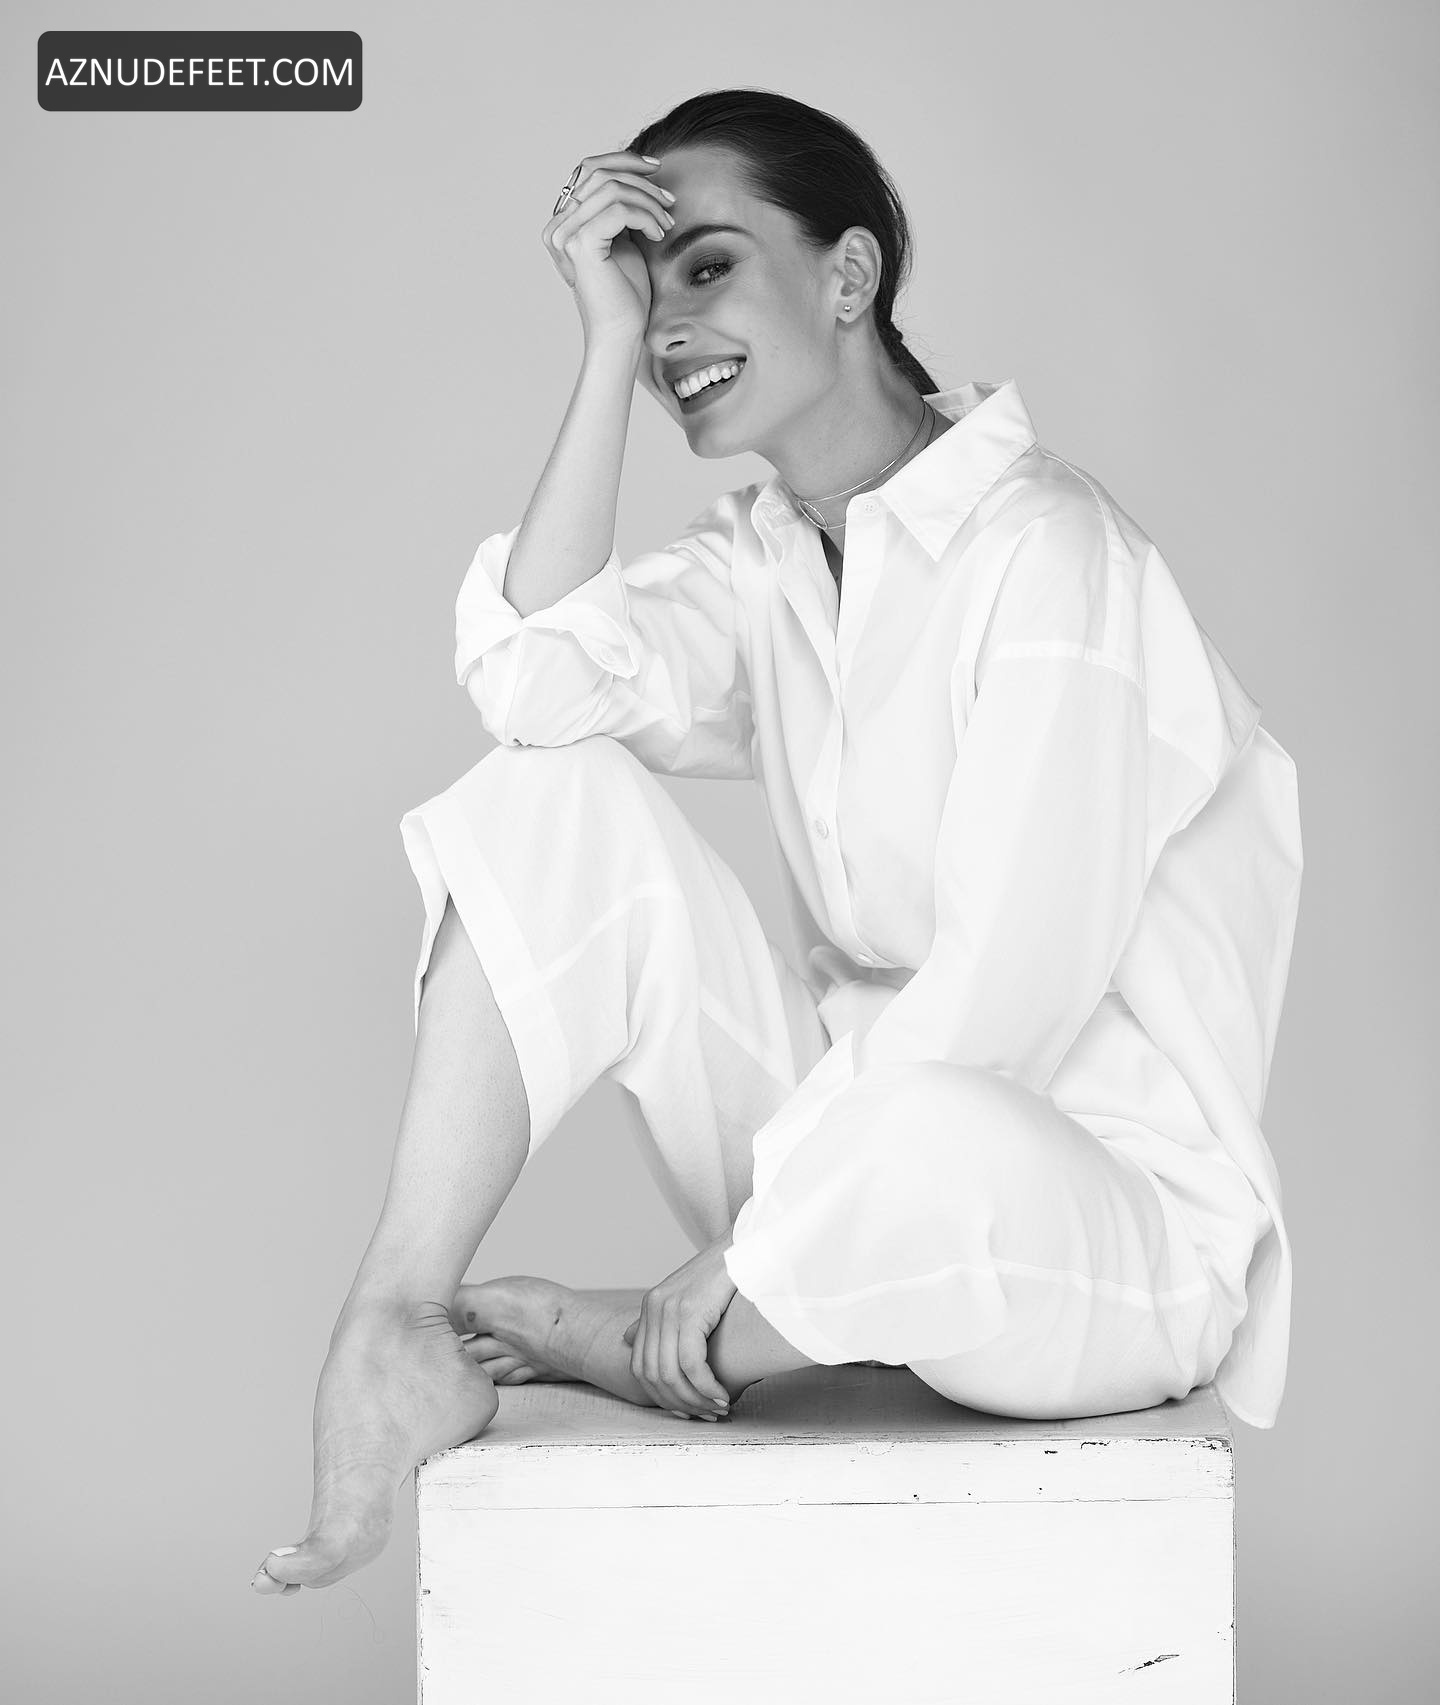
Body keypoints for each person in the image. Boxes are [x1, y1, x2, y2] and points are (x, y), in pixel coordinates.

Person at [252, 88, 1302, 1597]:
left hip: (1096, 1238)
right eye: (646, 283)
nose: (669, 322)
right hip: (834, 1207)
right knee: (548, 794)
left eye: (706, 268)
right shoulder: (769, 558)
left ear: (849, 275)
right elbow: (534, 685)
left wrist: (757, 1249)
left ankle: (650, 1336)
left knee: (930, 1127)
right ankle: (396, 1325)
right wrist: (602, 350)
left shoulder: (1052, 551)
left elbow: (1005, 1000)